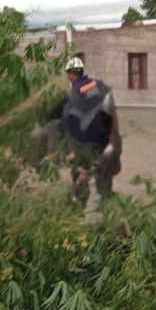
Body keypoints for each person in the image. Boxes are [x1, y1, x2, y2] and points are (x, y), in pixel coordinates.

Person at [45, 57, 122, 208]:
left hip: (84, 147)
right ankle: (105, 211)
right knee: (104, 187)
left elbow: (65, 122)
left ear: (70, 75)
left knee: (81, 185)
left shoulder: (72, 95)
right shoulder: (97, 86)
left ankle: (78, 209)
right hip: (103, 145)